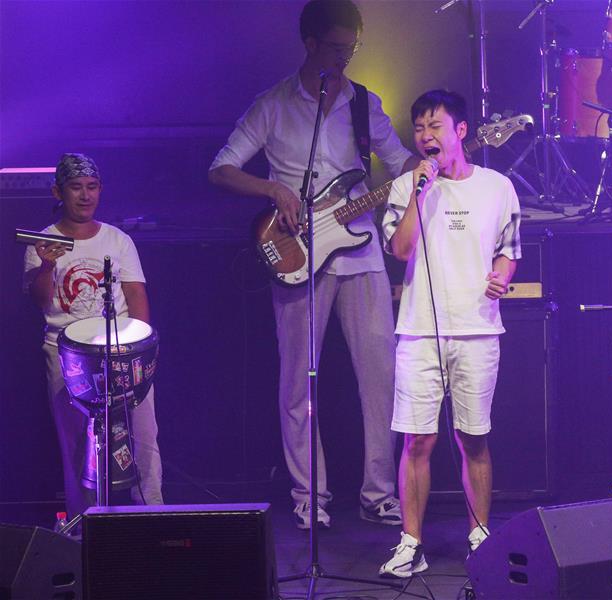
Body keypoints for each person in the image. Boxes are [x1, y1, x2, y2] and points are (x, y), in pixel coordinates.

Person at [209, 0, 418, 529]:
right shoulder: (273, 105)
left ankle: (379, 493)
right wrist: (273, 189)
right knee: (298, 383)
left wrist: (439, 162)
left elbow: (400, 165)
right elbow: (222, 169)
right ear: (310, 44)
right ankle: (309, 496)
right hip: (297, 253)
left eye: (352, 48)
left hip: (362, 252)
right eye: (337, 48)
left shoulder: (364, 104)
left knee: (382, 378)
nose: (345, 58)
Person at [378, 90, 521, 578]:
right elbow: (400, 250)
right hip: (418, 332)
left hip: (478, 330)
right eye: (419, 128)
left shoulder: (498, 187)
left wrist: (502, 274)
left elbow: (509, 248)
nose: (425, 136)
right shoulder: (406, 187)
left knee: (473, 438)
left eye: (434, 126)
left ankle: (480, 537)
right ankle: (410, 542)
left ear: (460, 131)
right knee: (416, 441)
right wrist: (421, 191)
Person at [23, 153, 164, 519]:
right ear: (58, 192)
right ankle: (85, 523)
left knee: (143, 438)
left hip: (121, 354)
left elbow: (136, 296)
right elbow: (40, 300)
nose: (85, 195)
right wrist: (48, 264)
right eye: (76, 187)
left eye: (92, 187)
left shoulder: (118, 240)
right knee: (76, 445)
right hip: (66, 355)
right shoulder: (42, 241)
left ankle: (152, 515)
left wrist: (139, 354)